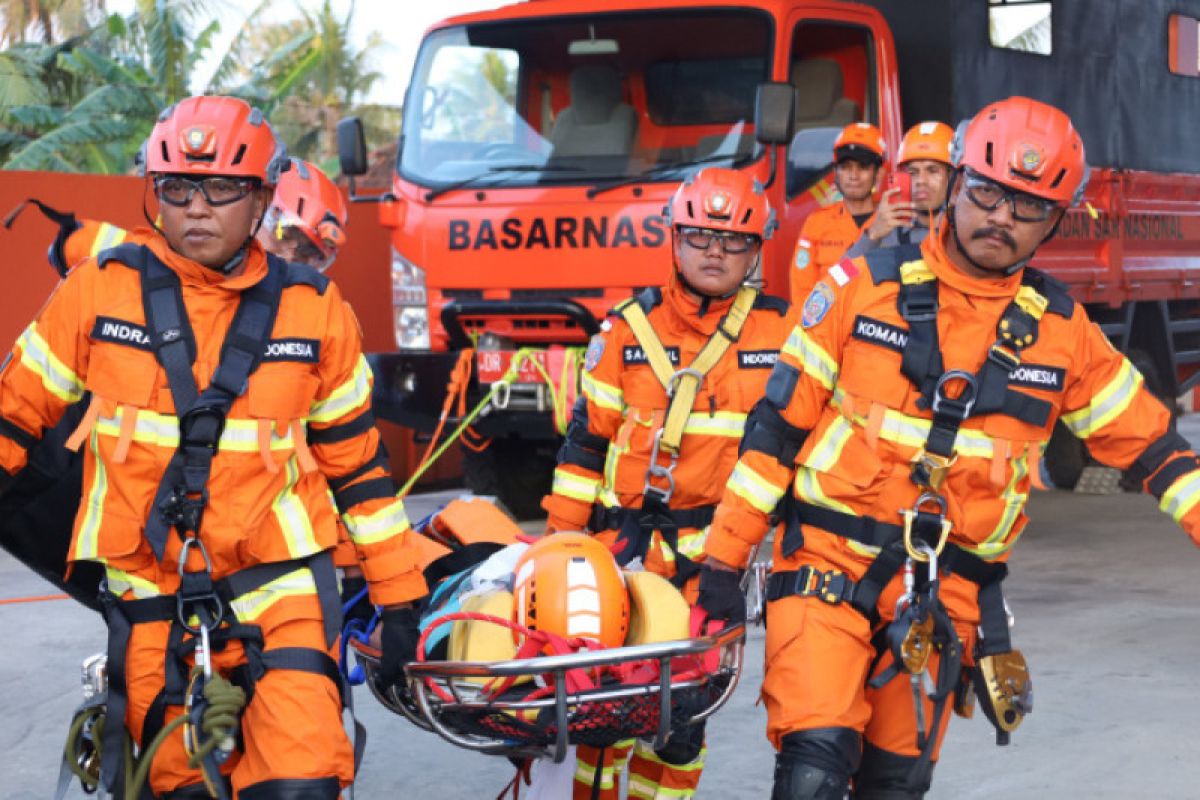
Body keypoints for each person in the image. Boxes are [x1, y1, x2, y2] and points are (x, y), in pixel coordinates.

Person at [700, 95, 1200, 799]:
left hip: (941, 599)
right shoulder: (860, 289)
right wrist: (722, 564)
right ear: (957, 184)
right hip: (824, 570)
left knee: (896, 786)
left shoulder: (1065, 335)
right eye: (989, 192)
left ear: (1055, 221)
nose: (1001, 217)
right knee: (812, 771)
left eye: (1028, 207)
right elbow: (775, 434)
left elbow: (1158, 453)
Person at [0, 95, 425, 798]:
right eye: (178, 187)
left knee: (302, 783)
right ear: (156, 193)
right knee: (183, 789)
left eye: (222, 187)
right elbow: (12, 420)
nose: (197, 207)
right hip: (148, 601)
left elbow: (359, 471)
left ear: (261, 198)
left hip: (280, 587)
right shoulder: (95, 295)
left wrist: (400, 602)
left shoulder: (316, 311)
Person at [541, 167, 792, 799]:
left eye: (734, 240)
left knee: (683, 722)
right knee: (603, 719)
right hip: (616, 559)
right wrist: (555, 556)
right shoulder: (625, 332)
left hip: (709, 567)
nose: (715, 252)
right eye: (701, 236)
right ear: (674, 239)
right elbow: (583, 450)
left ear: (757, 249)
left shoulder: (781, 336)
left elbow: (793, 456)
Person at [790, 121, 886, 305]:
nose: (853, 175)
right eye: (846, 167)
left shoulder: (892, 222)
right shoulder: (817, 223)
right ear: (835, 171)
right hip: (827, 327)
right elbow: (802, 293)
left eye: (863, 167)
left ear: (879, 173)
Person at [845, 121, 954, 258]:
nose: (921, 181)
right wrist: (872, 236)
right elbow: (841, 276)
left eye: (932, 171)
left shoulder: (965, 227)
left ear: (952, 176)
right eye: (913, 172)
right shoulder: (889, 226)